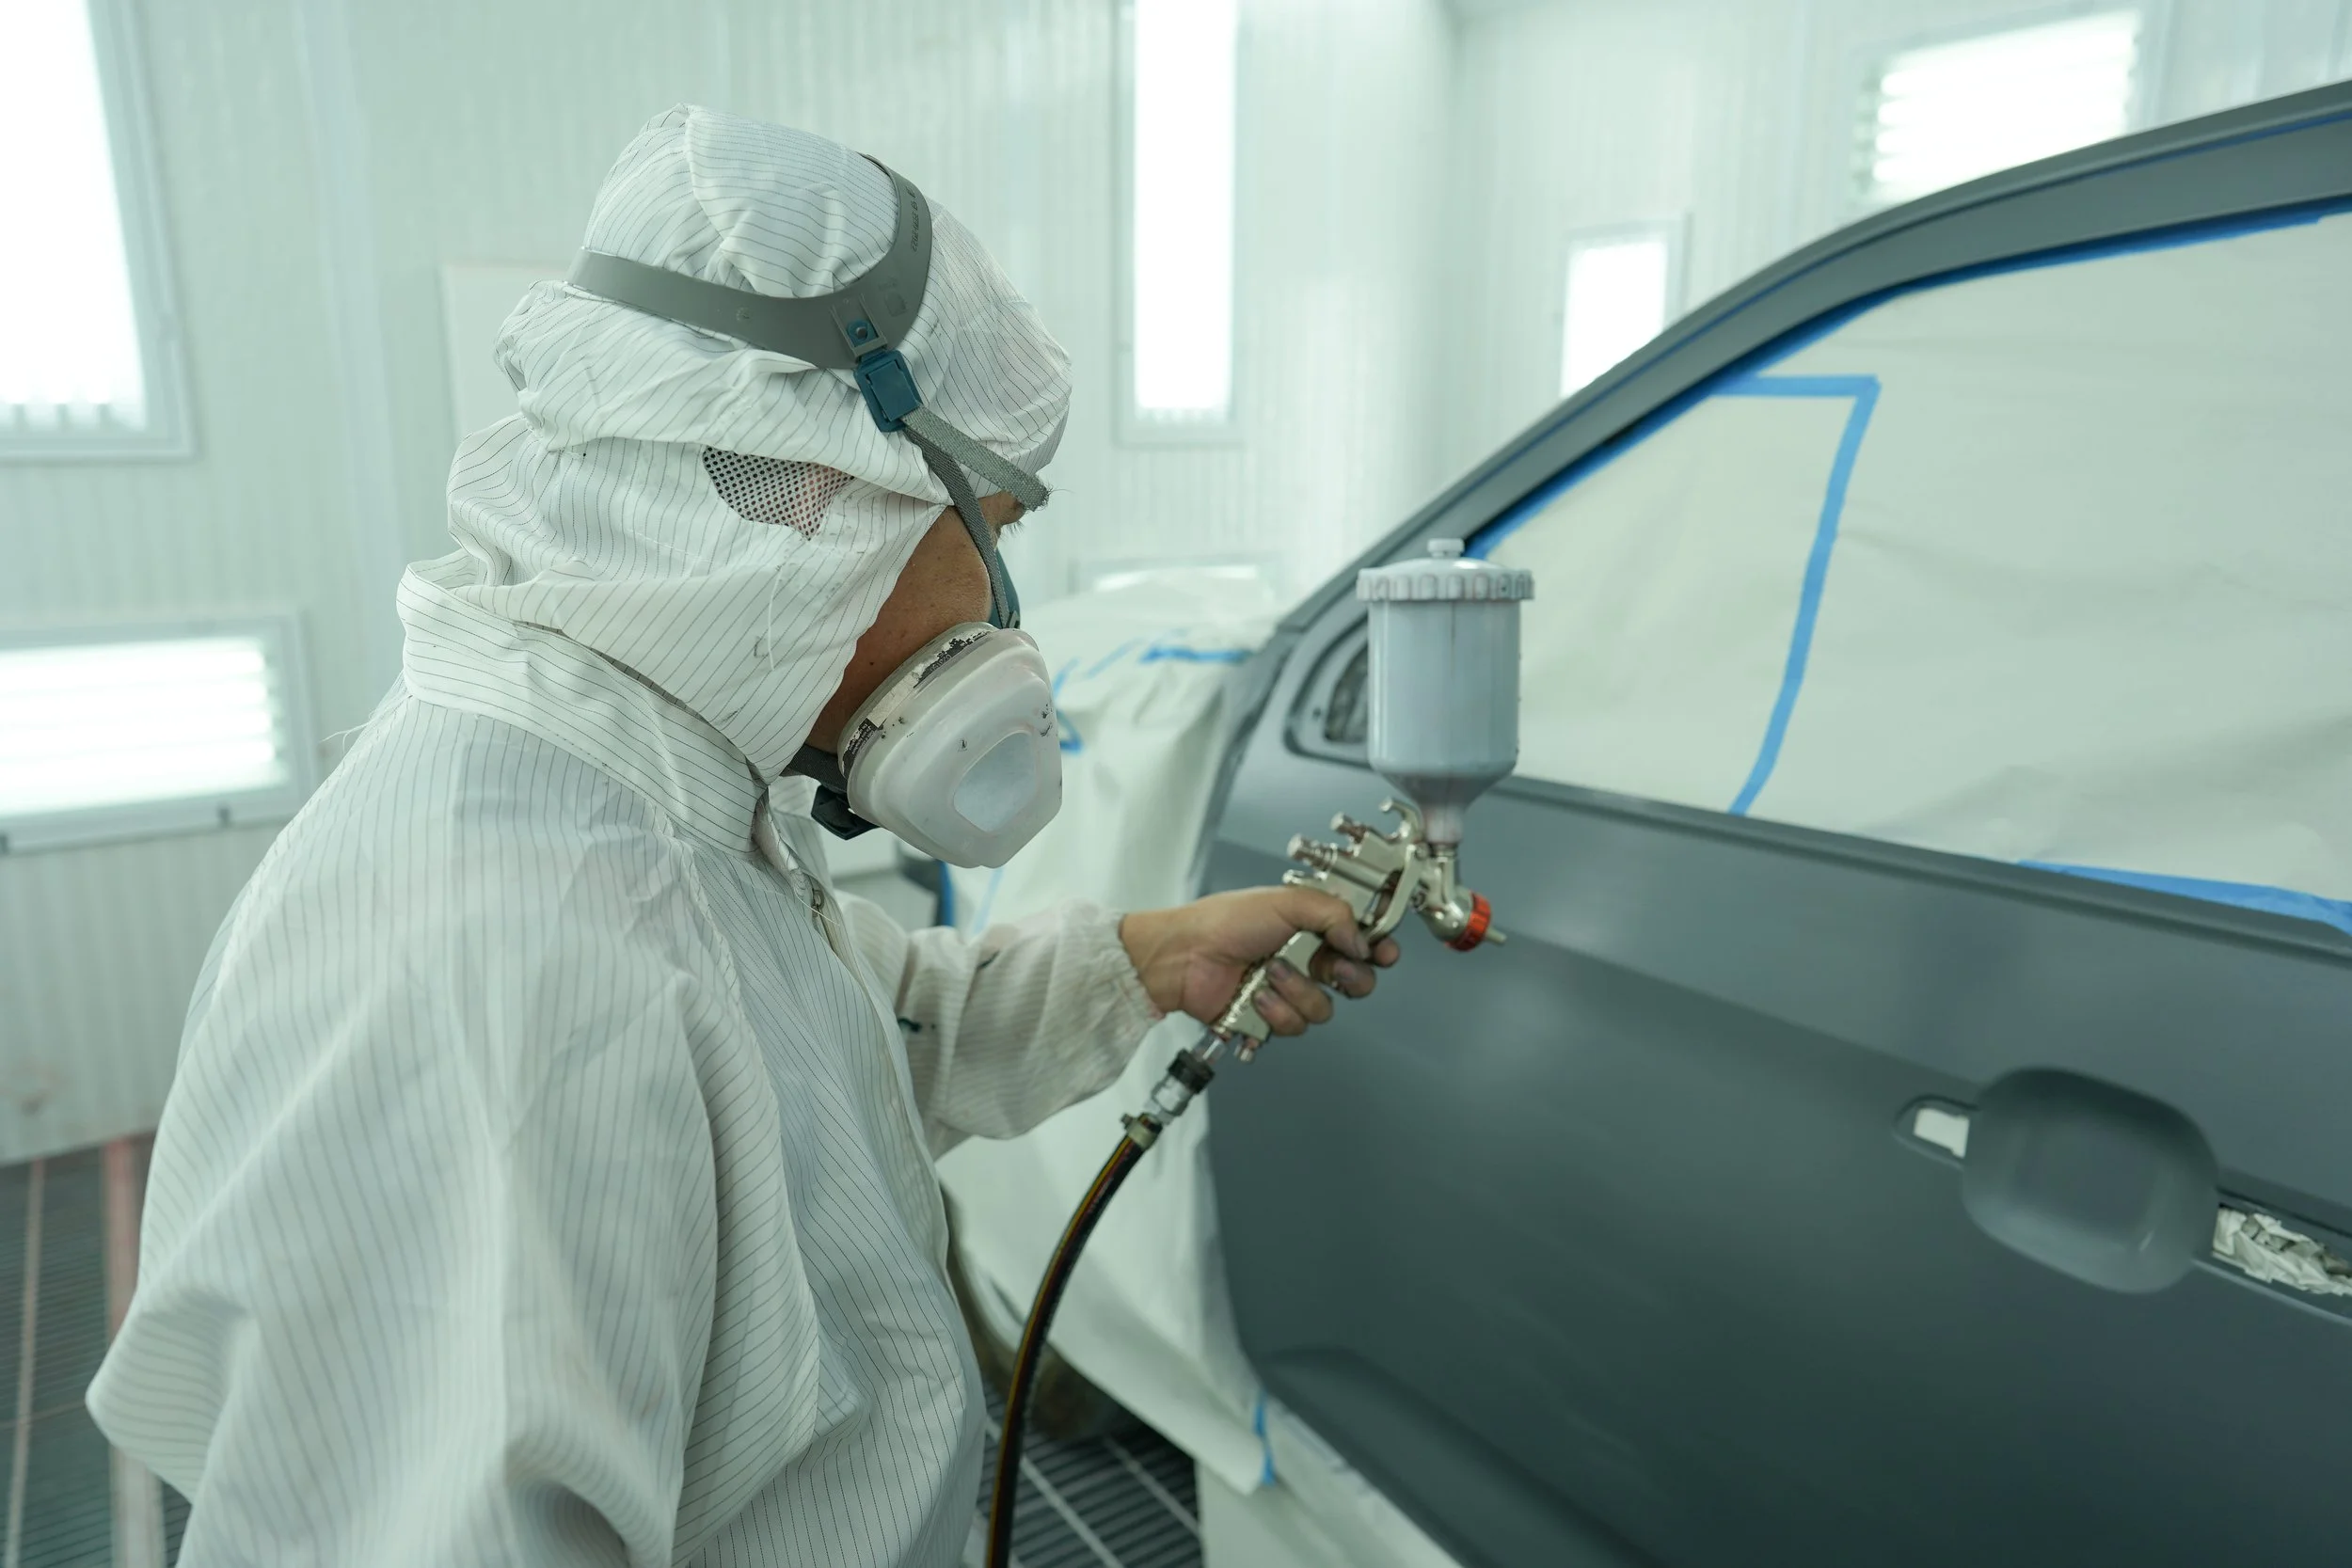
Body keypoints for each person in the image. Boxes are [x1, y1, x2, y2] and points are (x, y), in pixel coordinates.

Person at [86, 106, 1396, 1567]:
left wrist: (1150, 960)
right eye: (993, 523)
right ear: (829, 499)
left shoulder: (646, 794)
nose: (1000, 596)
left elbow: (820, 1057)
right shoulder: (526, 961)